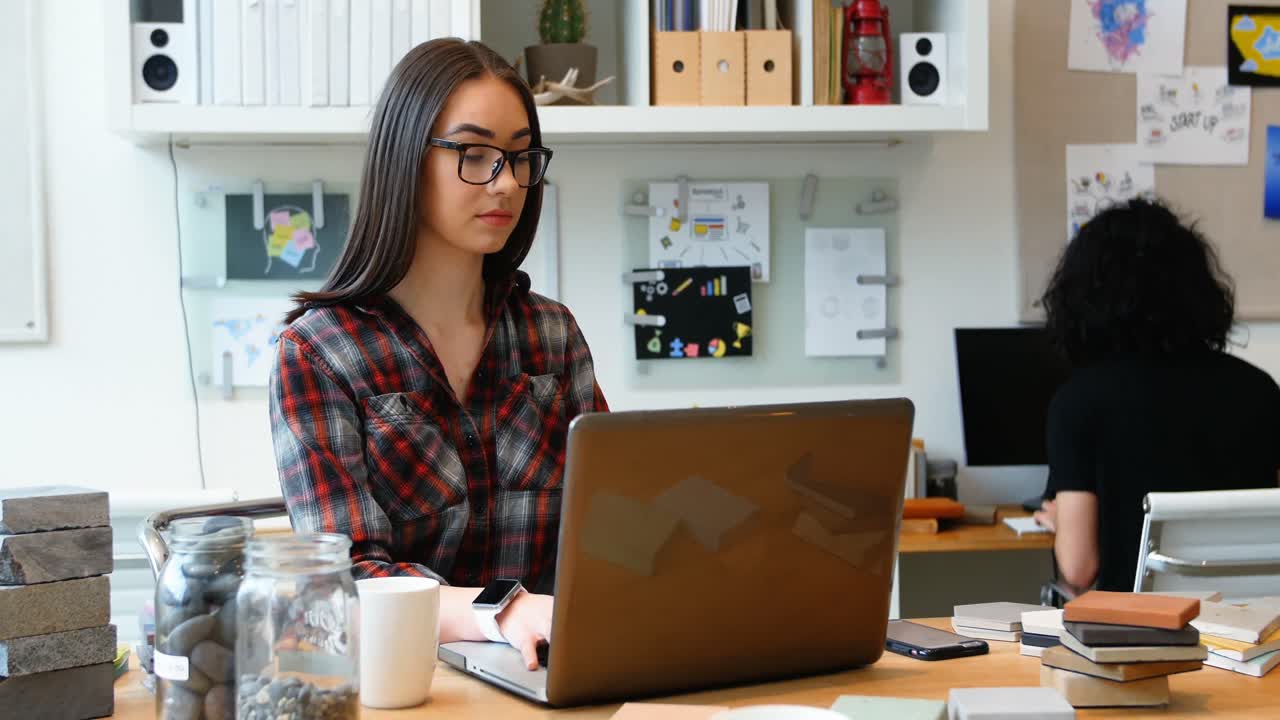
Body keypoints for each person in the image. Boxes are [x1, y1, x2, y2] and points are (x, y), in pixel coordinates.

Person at [270, 39, 608, 670]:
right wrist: (502, 611)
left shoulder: (552, 337)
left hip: (553, 672)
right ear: (406, 161)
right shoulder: (319, 353)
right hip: (406, 681)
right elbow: (341, 583)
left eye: (519, 156)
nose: (506, 182)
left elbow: (615, 525)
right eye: (474, 154)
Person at [1034, 198, 1280, 595]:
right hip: (1250, 640)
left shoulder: (1078, 403)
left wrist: (1063, 520)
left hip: (1136, 639)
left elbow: (1078, 570)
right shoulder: (1260, 389)